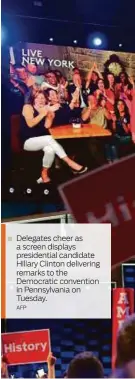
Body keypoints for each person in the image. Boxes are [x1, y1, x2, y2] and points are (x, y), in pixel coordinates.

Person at [22, 91, 87, 183]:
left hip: (41, 141)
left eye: (43, 98)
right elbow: (30, 124)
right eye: (37, 98)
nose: (40, 100)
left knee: (50, 150)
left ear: (46, 100)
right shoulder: (28, 107)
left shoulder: (46, 110)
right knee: (49, 138)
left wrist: (50, 116)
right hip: (27, 141)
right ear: (33, 99)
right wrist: (44, 113)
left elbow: (46, 127)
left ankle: (44, 174)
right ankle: (69, 162)